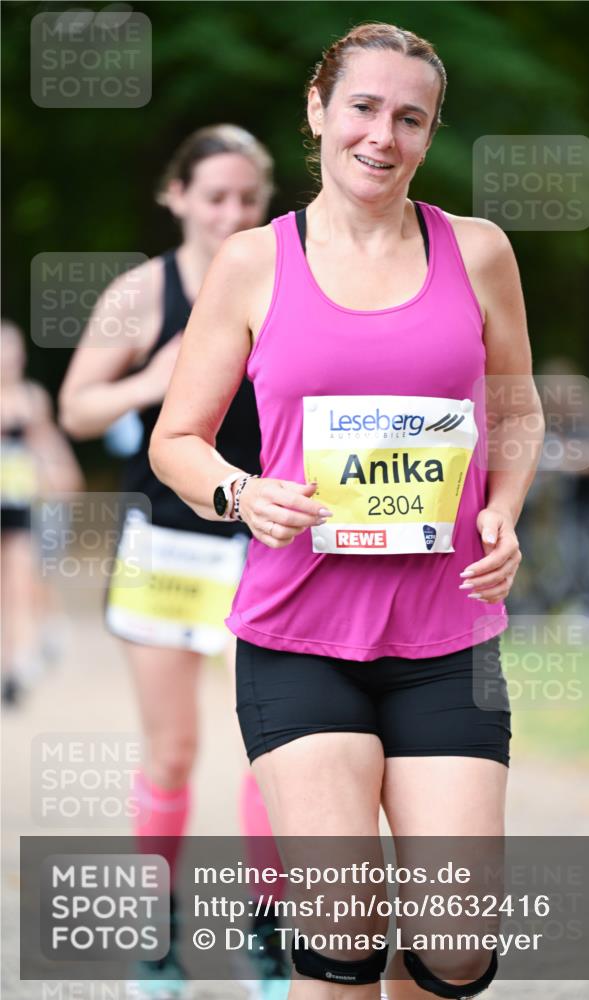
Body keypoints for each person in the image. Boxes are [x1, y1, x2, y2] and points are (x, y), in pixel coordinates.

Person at [150, 24, 544, 1000]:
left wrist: (503, 508)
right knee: (342, 931)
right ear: (319, 112)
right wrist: (243, 492)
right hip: (299, 633)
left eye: (409, 117)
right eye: (363, 107)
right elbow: (176, 440)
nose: (383, 134)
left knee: (454, 940)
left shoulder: (479, 251)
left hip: (446, 638)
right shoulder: (253, 261)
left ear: (429, 133)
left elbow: (519, 408)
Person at [58, 125, 287, 1000]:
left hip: (261, 539)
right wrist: (152, 381)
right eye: (215, 196)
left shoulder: (282, 277)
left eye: (248, 198)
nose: (232, 212)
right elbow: (77, 407)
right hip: (164, 545)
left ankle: (266, 934)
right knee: (176, 748)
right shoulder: (141, 291)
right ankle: (156, 939)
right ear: (176, 196)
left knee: (274, 748)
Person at [1, 320, 84, 705]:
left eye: (12, 351)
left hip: (20, 503)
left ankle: (17, 667)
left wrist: (64, 475)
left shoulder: (31, 399)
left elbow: (48, 443)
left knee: (22, 582)